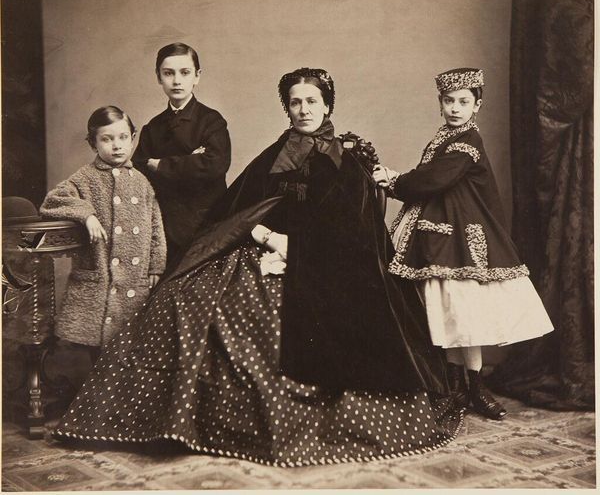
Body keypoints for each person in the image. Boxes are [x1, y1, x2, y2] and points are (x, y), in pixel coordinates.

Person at [54, 68, 463, 466]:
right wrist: (265, 236)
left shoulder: (347, 159)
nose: (304, 110)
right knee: (186, 296)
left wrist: (296, 250)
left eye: (312, 101)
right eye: (295, 102)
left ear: (327, 105)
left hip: (327, 262)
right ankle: (176, 420)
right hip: (263, 245)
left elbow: (354, 232)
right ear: (287, 108)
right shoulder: (277, 152)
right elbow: (240, 207)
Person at [373, 68, 554, 420]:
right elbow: (430, 178)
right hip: (439, 229)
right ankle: (454, 386)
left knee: (465, 310)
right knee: (448, 310)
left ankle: (474, 387)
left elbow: (435, 179)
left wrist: (394, 180)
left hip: (463, 235)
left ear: (477, 105)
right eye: (449, 101)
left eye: (463, 102)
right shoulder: (444, 136)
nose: (455, 108)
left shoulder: (467, 141)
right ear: (440, 103)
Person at [40, 106, 167, 361]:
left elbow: (155, 226)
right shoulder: (85, 178)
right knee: (98, 349)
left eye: (122, 137)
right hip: (101, 276)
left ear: (132, 138)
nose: (116, 145)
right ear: (93, 144)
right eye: (107, 139)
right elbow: (53, 200)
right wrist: (86, 214)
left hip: (135, 277)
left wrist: (156, 264)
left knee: (130, 341)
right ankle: (97, 381)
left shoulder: (142, 182)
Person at [132, 42, 231, 263]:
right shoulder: (153, 128)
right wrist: (191, 161)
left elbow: (215, 165)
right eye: (168, 73)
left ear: (197, 76)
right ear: (158, 77)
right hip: (165, 223)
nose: (177, 81)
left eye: (185, 72)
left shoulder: (211, 121)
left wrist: (160, 165)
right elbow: (139, 171)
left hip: (206, 222)